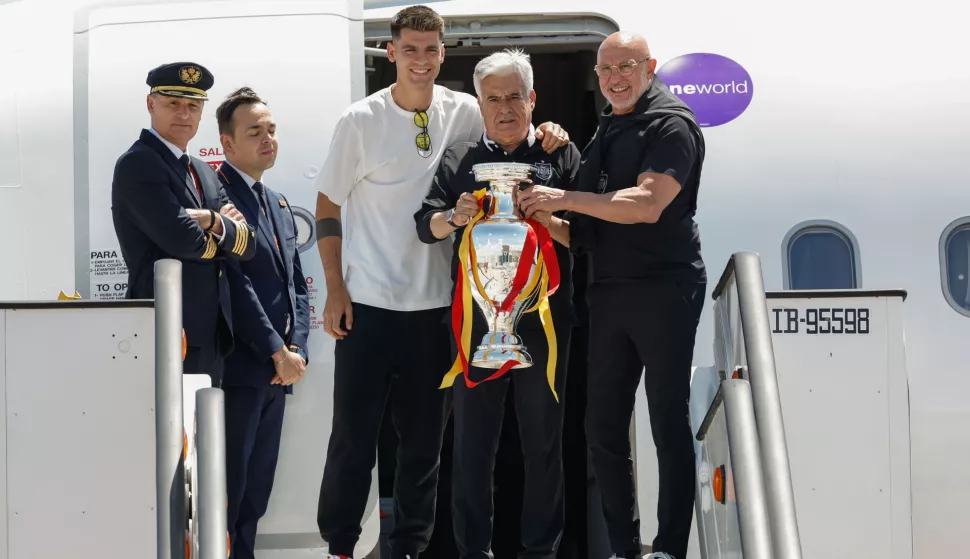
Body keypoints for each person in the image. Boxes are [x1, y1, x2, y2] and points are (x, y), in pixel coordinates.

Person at [312, 5, 570, 558]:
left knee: (424, 447)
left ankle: (408, 548)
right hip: (369, 303)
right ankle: (339, 546)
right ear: (392, 53)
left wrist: (551, 130)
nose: (421, 61)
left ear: (442, 53)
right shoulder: (360, 120)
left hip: (439, 310)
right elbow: (328, 204)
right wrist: (334, 287)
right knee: (354, 439)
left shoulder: (466, 114)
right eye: (410, 49)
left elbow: (516, 126)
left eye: (431, 50)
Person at [517, 32, 707, 559]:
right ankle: (625, 549)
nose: (615, 78)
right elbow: (586, 232)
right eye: (605, 70)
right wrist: (536, 214)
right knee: (601, 425)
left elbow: (646, 204)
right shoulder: (610, 124)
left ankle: (668, 548)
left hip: (663, 288)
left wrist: (567, 196)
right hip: (608, 290)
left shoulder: (672, 124)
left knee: (666, 421)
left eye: (626, 66)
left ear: (648, 67)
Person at [413, 48, 579, 559]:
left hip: (545, 322)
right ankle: (472, 550)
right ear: (479, 105)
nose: (504, 108)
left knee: (544, 441)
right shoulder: (461, 160)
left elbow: (591, 236)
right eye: (492, 99)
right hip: (475, 324)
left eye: (514, 97)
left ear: (532, 99)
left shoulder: (561, 155)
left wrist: (548, 216)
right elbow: (426, 226)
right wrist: (456, 216)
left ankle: (541, 550)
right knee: (472, 445)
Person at [112, 61, 256, 388]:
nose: (184, 114)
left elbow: (249, 245)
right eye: (173, 103)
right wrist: (225, 234)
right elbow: (184, 241)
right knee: (169, 436)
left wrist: (209, 219)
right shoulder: (139, 163)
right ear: (151, 104)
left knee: (204, 436)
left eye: (193, 105)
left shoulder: (204, 170)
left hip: (211, 333)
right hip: (167, 329)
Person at [214, 87, 311, 559]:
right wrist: (277, 349)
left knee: (256, 494)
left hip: (278, 372)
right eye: (254, 131)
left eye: (271, 130)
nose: (267, 139)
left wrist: (299, 352)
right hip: (240, 371)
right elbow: (233, 283)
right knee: (226, 496)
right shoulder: (216, 195)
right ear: (227, 144)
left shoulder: (275, 200)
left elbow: (297, 285)